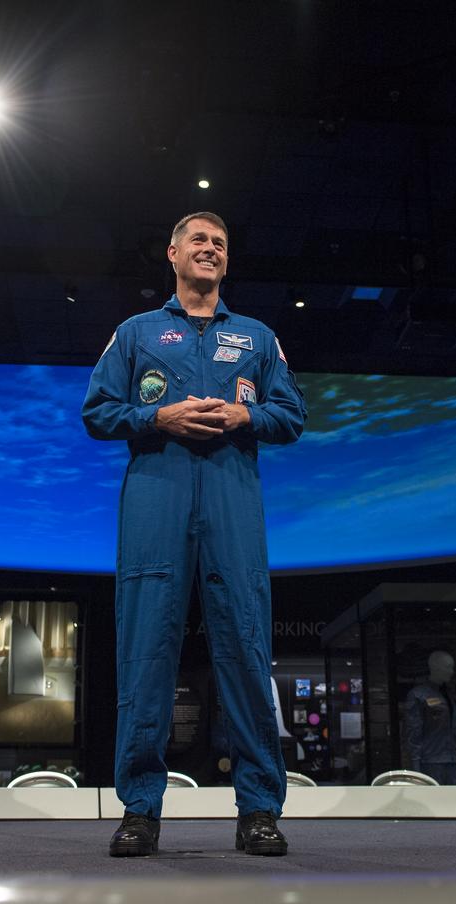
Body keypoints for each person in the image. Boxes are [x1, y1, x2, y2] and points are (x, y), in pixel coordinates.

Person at [82, 212, 307, 857]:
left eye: (221, 245)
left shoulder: (258, 337)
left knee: (245, 647)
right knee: (145, 652)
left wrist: (246, 413)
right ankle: (140, 812)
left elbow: (292, 415)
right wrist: (160, 416)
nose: (210, 251)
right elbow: (98, 411)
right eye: (199, 242)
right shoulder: (136, 334)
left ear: (226, 263)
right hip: (156, 502)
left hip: (233, 507)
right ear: (174, 255)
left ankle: (260, 810)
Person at [403, 650, 456, 785]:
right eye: (448, 667)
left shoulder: (451, 697)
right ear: (435, 667)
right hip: (430, 763)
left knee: (455, 804)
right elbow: (413, 735)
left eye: (452, 667)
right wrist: (416, 773)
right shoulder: (418, 695)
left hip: (453, 762)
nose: (451, 671)